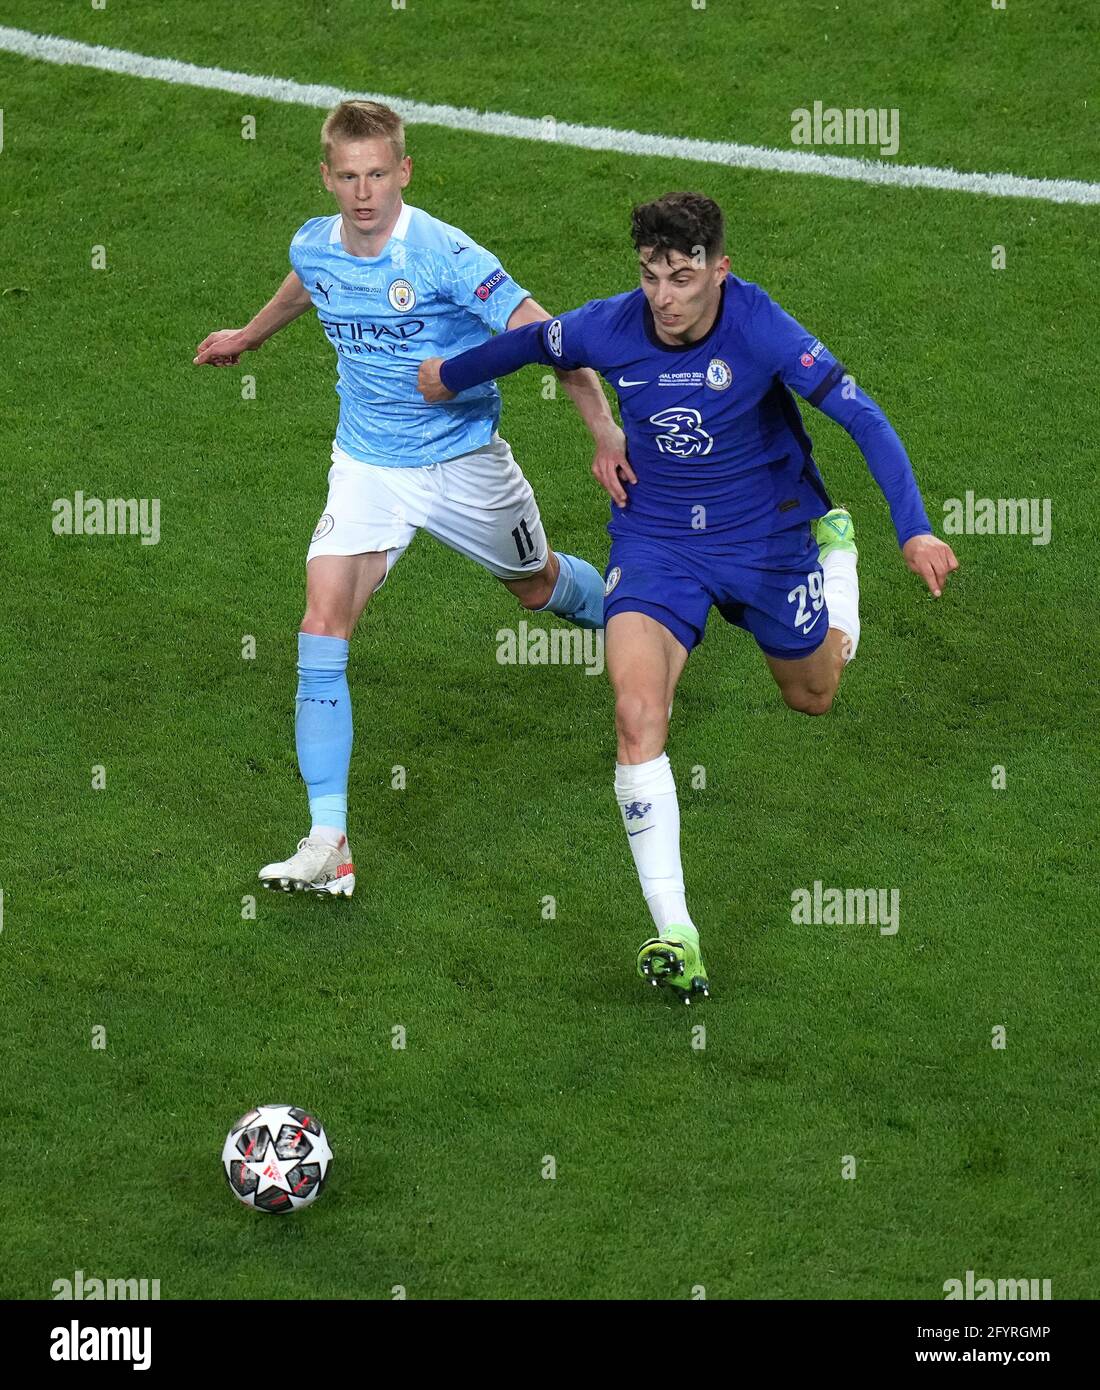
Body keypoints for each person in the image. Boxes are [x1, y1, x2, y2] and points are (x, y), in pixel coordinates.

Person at [417, 191, 959, 1002]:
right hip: (658, 540)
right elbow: (537, 341)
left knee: (813, 696)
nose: (663, 298)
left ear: (719, 270)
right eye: (650, 277)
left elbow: (864, 419)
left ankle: (835, 560)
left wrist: (912, 529)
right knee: (636, 714)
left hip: (771, 539)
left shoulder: (764, 328)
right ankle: (678, 933)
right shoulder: (613, 323)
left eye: (681, 277)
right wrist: (444, 376)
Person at [194, 100, 626, 898]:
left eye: (379, 175)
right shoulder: (315, 242)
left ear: (405, 173)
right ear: (328, 177)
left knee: (535, 588)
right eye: (349, 177)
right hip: (366, 466)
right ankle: (330, 842)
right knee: (322, 620)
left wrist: (604, 432)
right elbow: (306, 283)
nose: (364, 193)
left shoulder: (444, 256)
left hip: (463, 464)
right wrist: (249, 336)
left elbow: (554, 338)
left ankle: (646, 617)